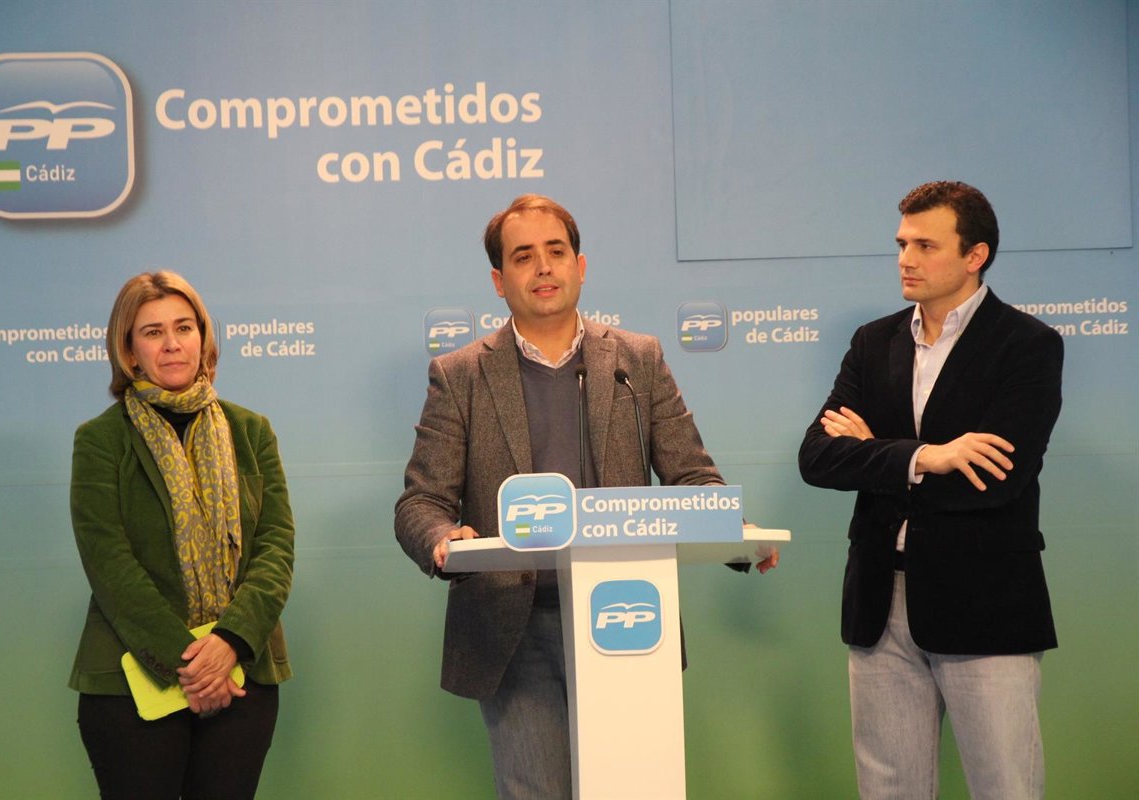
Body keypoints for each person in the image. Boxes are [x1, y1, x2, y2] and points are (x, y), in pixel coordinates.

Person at [395, 193, 776, 799]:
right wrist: (443, 538)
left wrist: (736, 533)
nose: (543, 267)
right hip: (514, 628)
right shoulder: (460, 374)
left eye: (556, 251)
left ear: (581, 265)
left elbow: (693, 477)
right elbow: (420, 504)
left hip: (627, 614)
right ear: (498, 280)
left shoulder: (636, 360)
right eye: (523, 256)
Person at [798, 181, 1063, 799]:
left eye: (925, 245)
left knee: (1006, 787)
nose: (905, 259)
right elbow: (818, 457)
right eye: (901, 244)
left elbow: (997, 480)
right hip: (879, 601)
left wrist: (876, 453)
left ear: (975, 256)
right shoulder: (873, 341)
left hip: (986, 602)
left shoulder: (1028, 345)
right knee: (889, 790)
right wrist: (928, 456)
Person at [69, 270, 295, 799]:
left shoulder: (251, 431)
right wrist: (192, 664)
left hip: (241, 674)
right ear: (129, 352)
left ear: (203, 337)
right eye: (153, 332)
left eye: (184, 327)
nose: (172, 343)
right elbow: (109, 563)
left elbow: (276, 548)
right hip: (133, 682)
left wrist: (229, 644)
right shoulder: (101, 440)